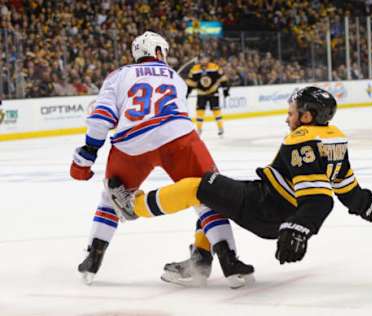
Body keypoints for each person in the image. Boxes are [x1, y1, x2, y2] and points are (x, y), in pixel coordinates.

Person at [107, 86, 372, 277]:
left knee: (198, 186)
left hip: (264, 206)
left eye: (292, 113)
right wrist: (365, 202)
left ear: (307, 116)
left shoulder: (302, 139)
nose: (287, 118)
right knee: (213, 197)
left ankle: (134, 206)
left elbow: (319, 199)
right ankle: (202, 262)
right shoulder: (334, 138)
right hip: (277, 215)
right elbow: (346, 189)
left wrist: (300, 228)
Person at [70, 31, 253, 288]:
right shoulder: (176, 78)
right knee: (210, 194)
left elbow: (101, 118)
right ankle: (230, 263)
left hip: (131, 144)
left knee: (109, 199)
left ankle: (92, 258)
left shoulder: (118, 75)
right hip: (177, 138)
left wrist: (88, 154)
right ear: (158, 52)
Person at [186, 54, 229, 136]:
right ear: (199, 60)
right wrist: (188, 92)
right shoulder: (194, 69)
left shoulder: (214, 67)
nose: (204, 60)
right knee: (200, 111)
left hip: (213, 91)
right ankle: (199, 129)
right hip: (201, 92)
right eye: (202, 59)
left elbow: (223, 78)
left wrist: (225, 89)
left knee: (216, 110)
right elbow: (190, 82)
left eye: (206, 58)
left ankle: (220, 128)